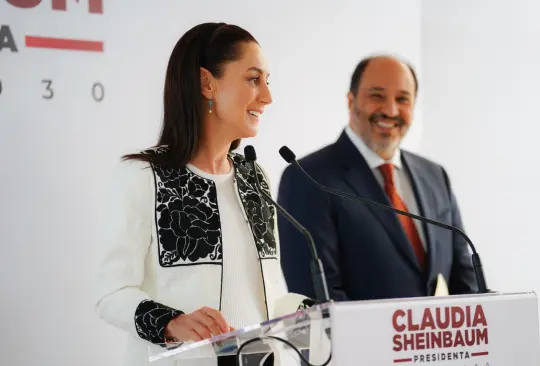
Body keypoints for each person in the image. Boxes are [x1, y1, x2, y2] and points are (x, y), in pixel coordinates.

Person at [95, 22, 313, 366]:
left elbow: (269, 295)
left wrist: (309, 310)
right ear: (206, 83)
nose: (267, 97)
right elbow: (111, 294)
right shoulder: (142, 177)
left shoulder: (255, 178)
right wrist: (170, 322)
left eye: (267, 82)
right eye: (253, 79)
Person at [277, 55, 478, 302]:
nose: (391, 110)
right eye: (377, 96)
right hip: (357, 340)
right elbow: (318, 298)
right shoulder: (308, 178)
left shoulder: (435, 176)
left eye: (402, 99)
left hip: (436, 340)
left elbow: (466, 282)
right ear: (351, 101)